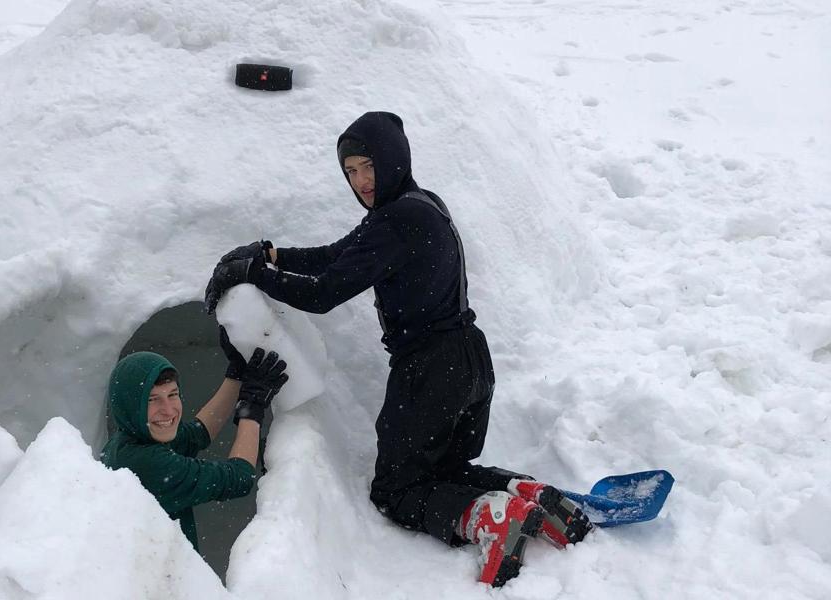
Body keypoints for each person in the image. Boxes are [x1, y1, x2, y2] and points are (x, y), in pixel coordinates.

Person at [203, 111, 592, 587]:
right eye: (350, 171)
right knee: (445, 468)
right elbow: (336, 255)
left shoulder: (396, 219)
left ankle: (489, 517)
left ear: (391, 160)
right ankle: (529, 495)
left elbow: (324, 291)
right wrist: (271, 256)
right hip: (471, 361)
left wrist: (249, 274)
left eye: (368, 166)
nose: (362, 180)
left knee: (395, 491)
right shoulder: (421, 204)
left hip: (430, 370)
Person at [100, 327, 287, 551]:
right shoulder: (147, 464)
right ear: (130, 405)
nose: (168, 410)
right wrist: (252, 408)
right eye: (152, 400)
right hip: (165, 585)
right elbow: (239, 478)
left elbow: (198, 433)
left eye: (172, 394)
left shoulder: (129, 439)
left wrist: (237, 374)